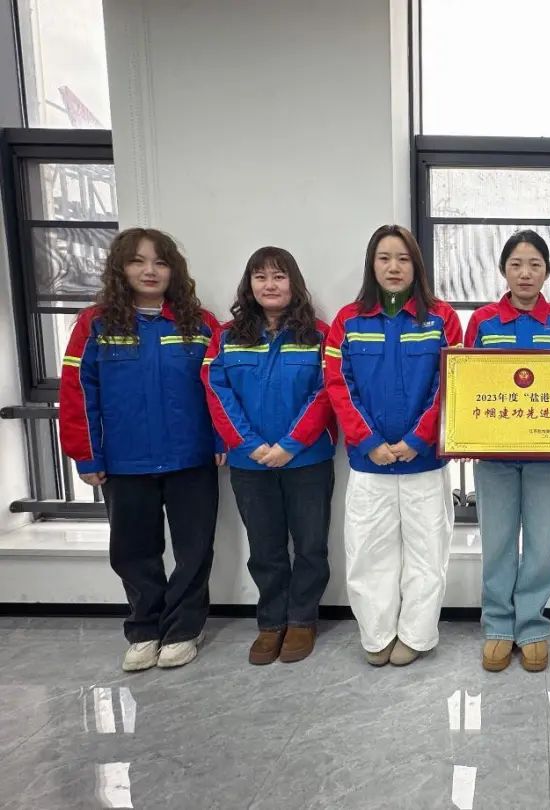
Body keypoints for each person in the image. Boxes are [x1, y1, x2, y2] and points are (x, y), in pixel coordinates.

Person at [59, 227, 223, 671]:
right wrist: (86, 454)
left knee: (194, 549)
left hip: (191, 457)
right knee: (133, 551)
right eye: (138, 261)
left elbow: (217, 388)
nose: (150, 271)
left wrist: (220, 439)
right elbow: (77, 393)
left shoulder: (200, 324)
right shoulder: (95, 324)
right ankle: (144, 629)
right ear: (121, 268)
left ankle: (185, 628)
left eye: (160, 262)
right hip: (124, 461)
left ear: (174, 270)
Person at [324, 224, 462, 667]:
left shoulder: (442, 318)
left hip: (424, 463)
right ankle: (377, 635)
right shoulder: (348, 321)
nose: (394, 267)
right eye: (384, 258)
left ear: (416, 265)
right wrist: (368, 441)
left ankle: (417, 635)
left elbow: (451, 382)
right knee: (369, 555)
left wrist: (419, 438)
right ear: (372, 264)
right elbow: (337, 384)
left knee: (428, 553)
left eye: (403, 258)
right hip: (371, 464)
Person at [203, 246, 336, 665]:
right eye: (260, 277)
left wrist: (290, 445)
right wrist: (251, 445)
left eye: (279, 276)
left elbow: (325, 393)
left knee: (311, 546)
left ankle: (302, 619)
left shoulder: (319, 336)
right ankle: (271, 622)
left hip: (308, 461)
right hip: (251, 463)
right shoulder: (226, 337)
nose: (270, 285)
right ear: (249, 285)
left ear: (294, 283)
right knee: (265, 548)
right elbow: (217, 391)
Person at [464, 230, 550, 673]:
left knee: (541, 544)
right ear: (503, 270)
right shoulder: (482, 323)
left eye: (535, 264)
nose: (525, 273)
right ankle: (498, 626)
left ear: (547, 271)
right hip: (493, 455)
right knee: (496, 542)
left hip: (548, 458)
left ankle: (532, 626)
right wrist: (463, 435)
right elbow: (466, 383)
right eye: (516, 264)